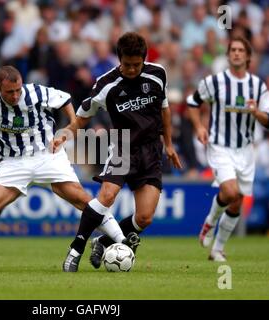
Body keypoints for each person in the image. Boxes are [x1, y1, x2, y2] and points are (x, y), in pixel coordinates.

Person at [0, 65, 131, 272]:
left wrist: (72, 126)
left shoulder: (36, 92)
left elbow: (65, 99)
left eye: (18, 90)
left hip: (47, 155)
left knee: (82, 199)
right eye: (9, 92)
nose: (15, 96)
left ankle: (123, 241)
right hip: (13, 162)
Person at [53, 32, 182, 270]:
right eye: (126, 65)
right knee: (107, 196)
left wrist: (169, 144)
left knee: (144, 218)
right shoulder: (105, 84)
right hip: (123, 146)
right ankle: (75, 249)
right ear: (118, 59)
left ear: (144, 59)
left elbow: (165, 110)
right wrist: (65, 133)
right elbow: (82, 119)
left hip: (152, 149)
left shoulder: (158, 74)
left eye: (136, 65)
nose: (131, 70)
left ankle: (102, 241)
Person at [186, 36, 269, 262]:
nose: (236, 53)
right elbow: (193, 103)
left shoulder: (257, 86)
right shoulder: (214, 82)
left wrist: (256, 113)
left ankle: (217, 249)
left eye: (240, 50)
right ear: (228, 55)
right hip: (219, 146)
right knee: (230, 191)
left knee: (237, 201)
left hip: (245, 150)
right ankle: (210, 222)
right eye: (232, 50)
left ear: (248, 56)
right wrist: (199, 126)